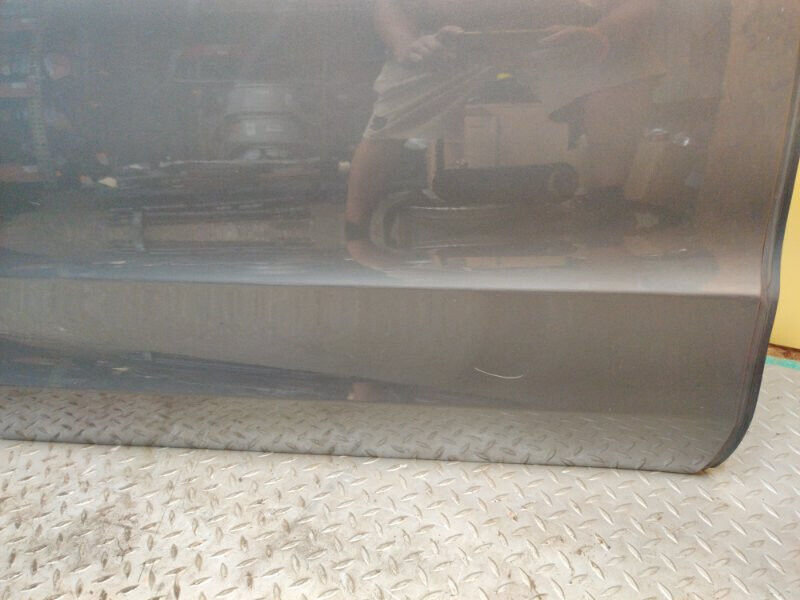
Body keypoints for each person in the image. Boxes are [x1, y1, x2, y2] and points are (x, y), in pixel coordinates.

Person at [345, 0, 665, 268]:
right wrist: (405, 43)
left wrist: (601, 34)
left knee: (626, 67)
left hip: (560, 38)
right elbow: (389, 3)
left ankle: (607, 205)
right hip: (448, 44)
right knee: (388, 121)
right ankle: (356, 235)